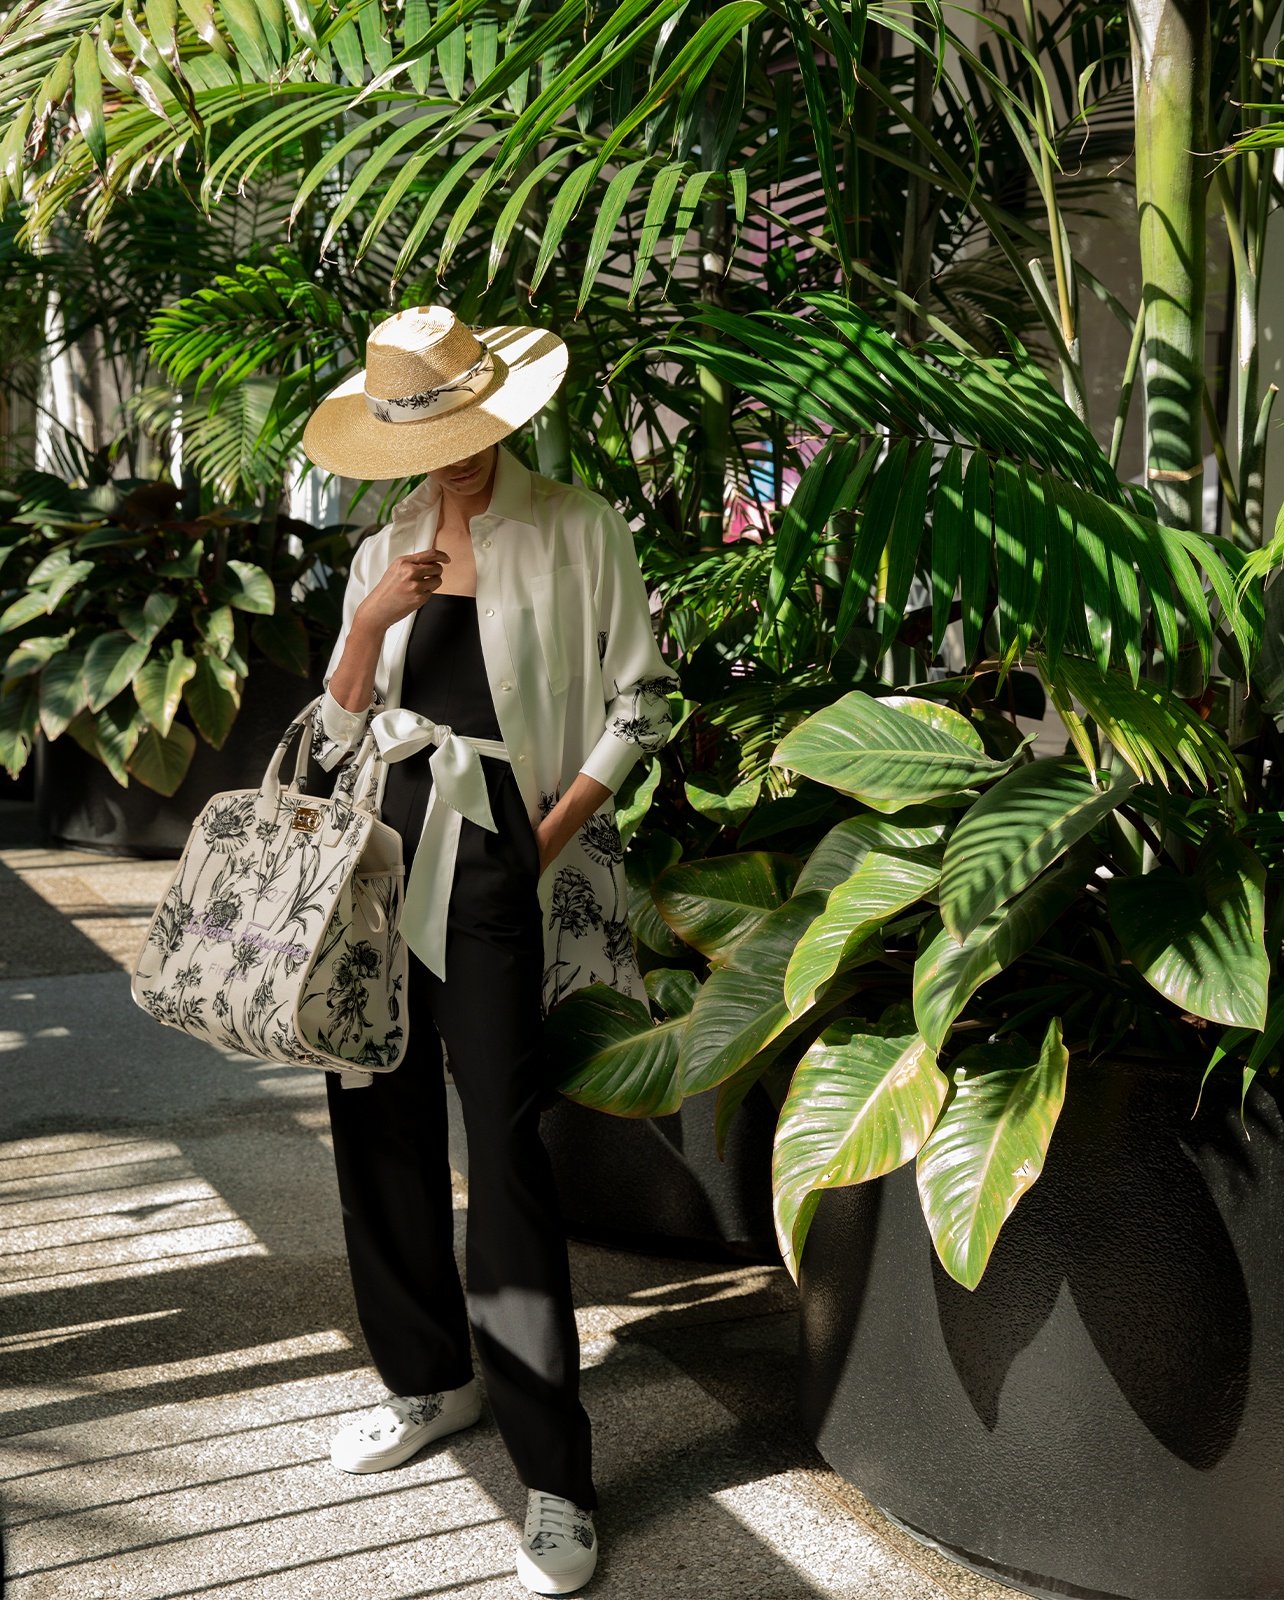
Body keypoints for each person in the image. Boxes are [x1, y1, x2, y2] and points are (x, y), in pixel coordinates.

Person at [300, 306, 680, 1595]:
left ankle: (555, 1481)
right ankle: (427, 1383)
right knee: (376, 1122)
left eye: (470, 433)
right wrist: (368, 627)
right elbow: (336, 727)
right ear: (395, 439)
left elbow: (643, 695)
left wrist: (550, 830)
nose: (454, 460)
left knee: (505, 1152)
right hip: (375, 854)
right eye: (429, 439)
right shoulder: (383, 547)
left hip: (505, 855)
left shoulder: (577, 525)